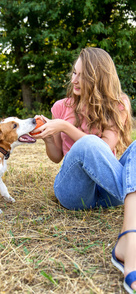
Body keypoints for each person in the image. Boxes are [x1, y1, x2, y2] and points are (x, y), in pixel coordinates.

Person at [32, 47, 136, 293]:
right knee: (88, 143)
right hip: (73, 191)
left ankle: (128, 240)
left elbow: (105, 147)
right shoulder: (61, 107)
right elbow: (57, 157)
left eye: (82, 75)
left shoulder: (118, 104)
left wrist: (65, 129)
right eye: (74, 73)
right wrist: (49, 135)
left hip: (108, 191)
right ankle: (132, 242)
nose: (74, 80)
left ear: (99, 77)